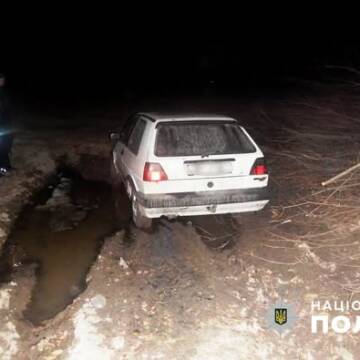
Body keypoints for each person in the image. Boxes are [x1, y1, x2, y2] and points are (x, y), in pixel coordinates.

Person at [0, 73, 13, 175]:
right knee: (2, 146)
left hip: (6, 123)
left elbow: (8, 107)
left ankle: (6, 166)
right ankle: (2, 169)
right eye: (1, 79)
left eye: (3, 79)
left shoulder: (4, 91)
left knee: (6, 145)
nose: (2, 81)